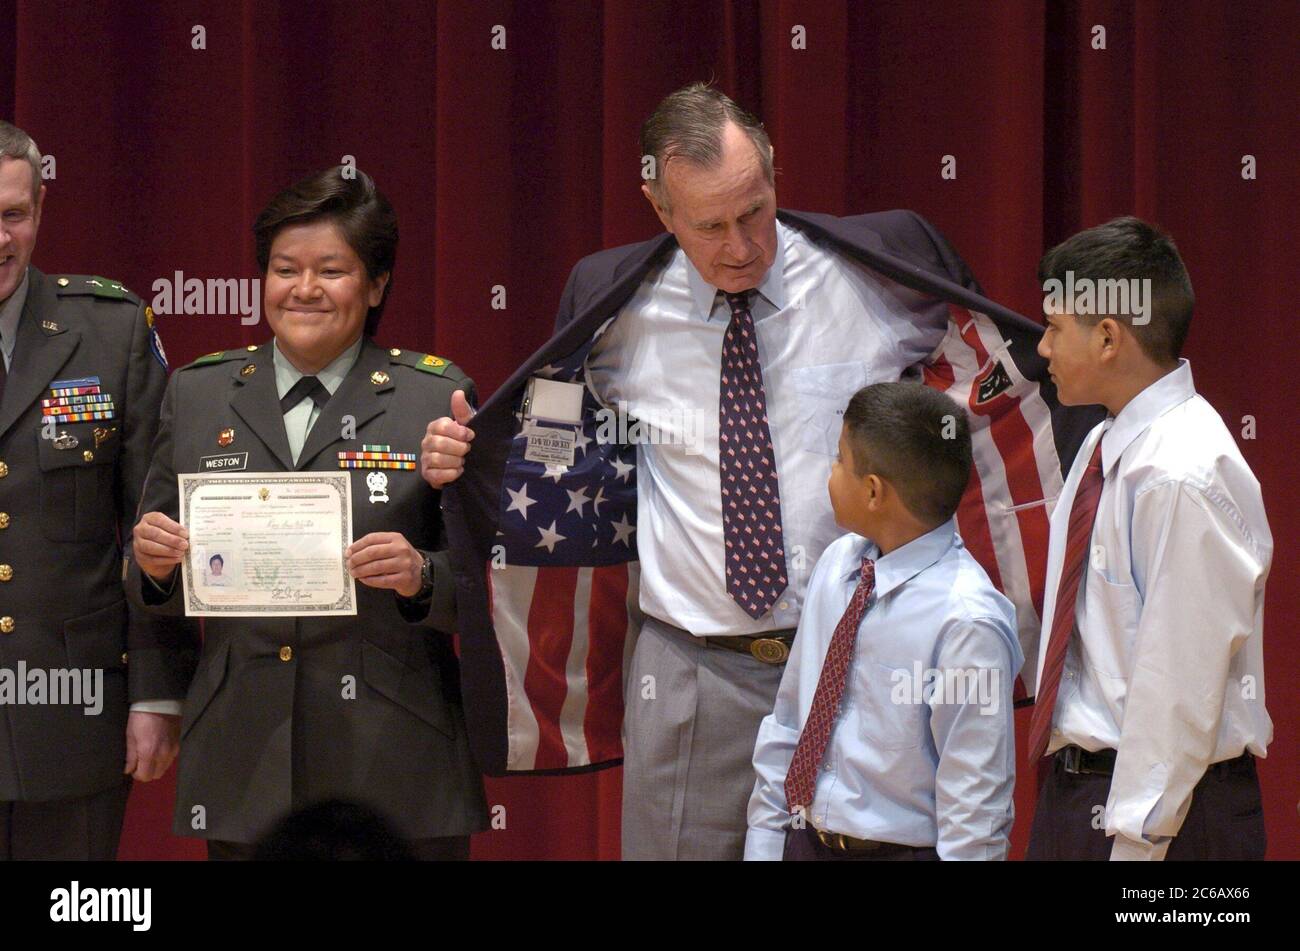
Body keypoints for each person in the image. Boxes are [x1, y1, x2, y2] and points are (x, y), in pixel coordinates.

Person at [423, 83, 1090, 860]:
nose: (740, 246)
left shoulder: (879, 271)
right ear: (658, 206)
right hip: (690, 675)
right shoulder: (609, 304)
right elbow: (555, 449)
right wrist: (469, 457)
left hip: (863, 658)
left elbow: (997, 376)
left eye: (754, 211)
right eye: (709, 226)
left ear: (774, 175)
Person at [127, 166, 488, 860]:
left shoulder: (433, 398)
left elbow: (486, 581)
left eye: (332, 269)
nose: (305, 289)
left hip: (396, 750)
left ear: (376, 284)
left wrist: (420, 574)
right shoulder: (198, 393)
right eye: (285, 268)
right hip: (243, 754)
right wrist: (151, 568)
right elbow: (153, 581)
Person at [1026, 217, 1272, 860]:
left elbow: (1179, 684)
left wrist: (1137, 845)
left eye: (1054, 328)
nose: (1042, 349)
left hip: (1170, 821)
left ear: (1109, 336)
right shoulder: (1105, 447)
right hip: (1082, 797)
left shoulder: (1182, 472)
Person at [0, 121, 192, 861]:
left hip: (75, 711)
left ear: (41, 210)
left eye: (14, 215)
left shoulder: (107, 329)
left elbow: (157, 518)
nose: (1, 238)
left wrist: (156, 690)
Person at [746, 382, 1020, 861]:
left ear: (873, 491)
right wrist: (766, 843)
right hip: (805, 843)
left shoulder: (966, 621)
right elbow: (791, 720)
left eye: (838, 460)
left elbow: (975, 806)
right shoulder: (837, 566)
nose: (829, 473)